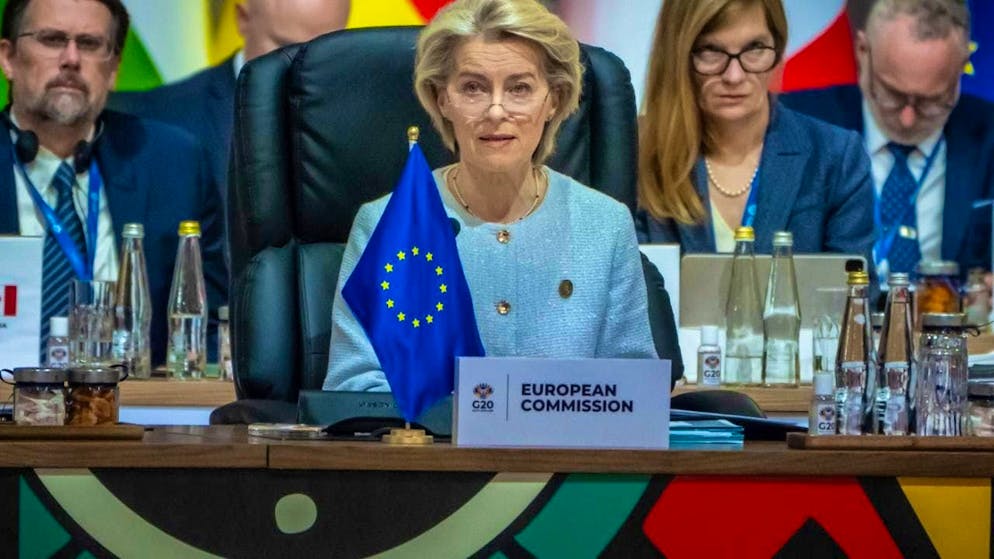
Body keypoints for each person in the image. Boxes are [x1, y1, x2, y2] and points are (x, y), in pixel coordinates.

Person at [323, 0, 659, 392]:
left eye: (519, 88)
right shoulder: (390, 223)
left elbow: (635, 392)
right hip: (431, 452)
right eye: (473, 88)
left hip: (567, 453)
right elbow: (352, 385)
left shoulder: (605, 225)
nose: (496, 110)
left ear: (553, 99)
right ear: (441, 98)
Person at [0, 0, 227, 365]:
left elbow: (215, 328)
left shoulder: (173, 164)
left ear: (114, 69)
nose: (71, 59)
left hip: (134, 412)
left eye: (90, 44)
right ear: (8, 57)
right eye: (52, 39)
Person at [636, 0, 876, 260]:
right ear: (678, 55)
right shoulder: (635, 156)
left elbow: (857, 293)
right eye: (711, 51)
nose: (734, 76)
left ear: (779, 47)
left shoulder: (835, 158)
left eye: (755, 48)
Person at [780, 0, 993, 279]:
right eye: (892, 95)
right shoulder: (801, 127)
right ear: (862, 51)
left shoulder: (988, 136)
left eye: (931, 101)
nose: (907, 119)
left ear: (962, 66)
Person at [108, 0, 351, 202]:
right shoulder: (153, 122)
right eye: (287, 48)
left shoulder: (362, 128)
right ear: (242, 18)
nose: (304, 68)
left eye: (325, 51)